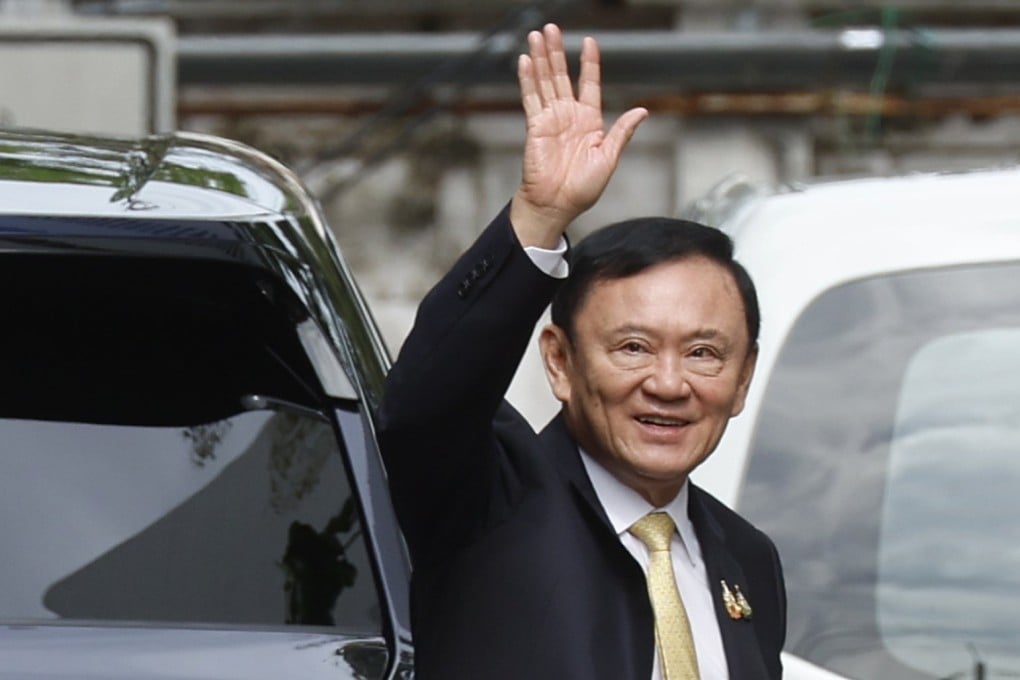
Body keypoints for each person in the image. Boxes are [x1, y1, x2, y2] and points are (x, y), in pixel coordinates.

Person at [378, 22, 785, 680]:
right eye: (634, 348)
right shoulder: (489, 501)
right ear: (560, 362)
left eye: (704, 354)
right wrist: (540, 216)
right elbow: (424, 405)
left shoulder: (749, 560)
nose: (669, 384)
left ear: (742, 380)